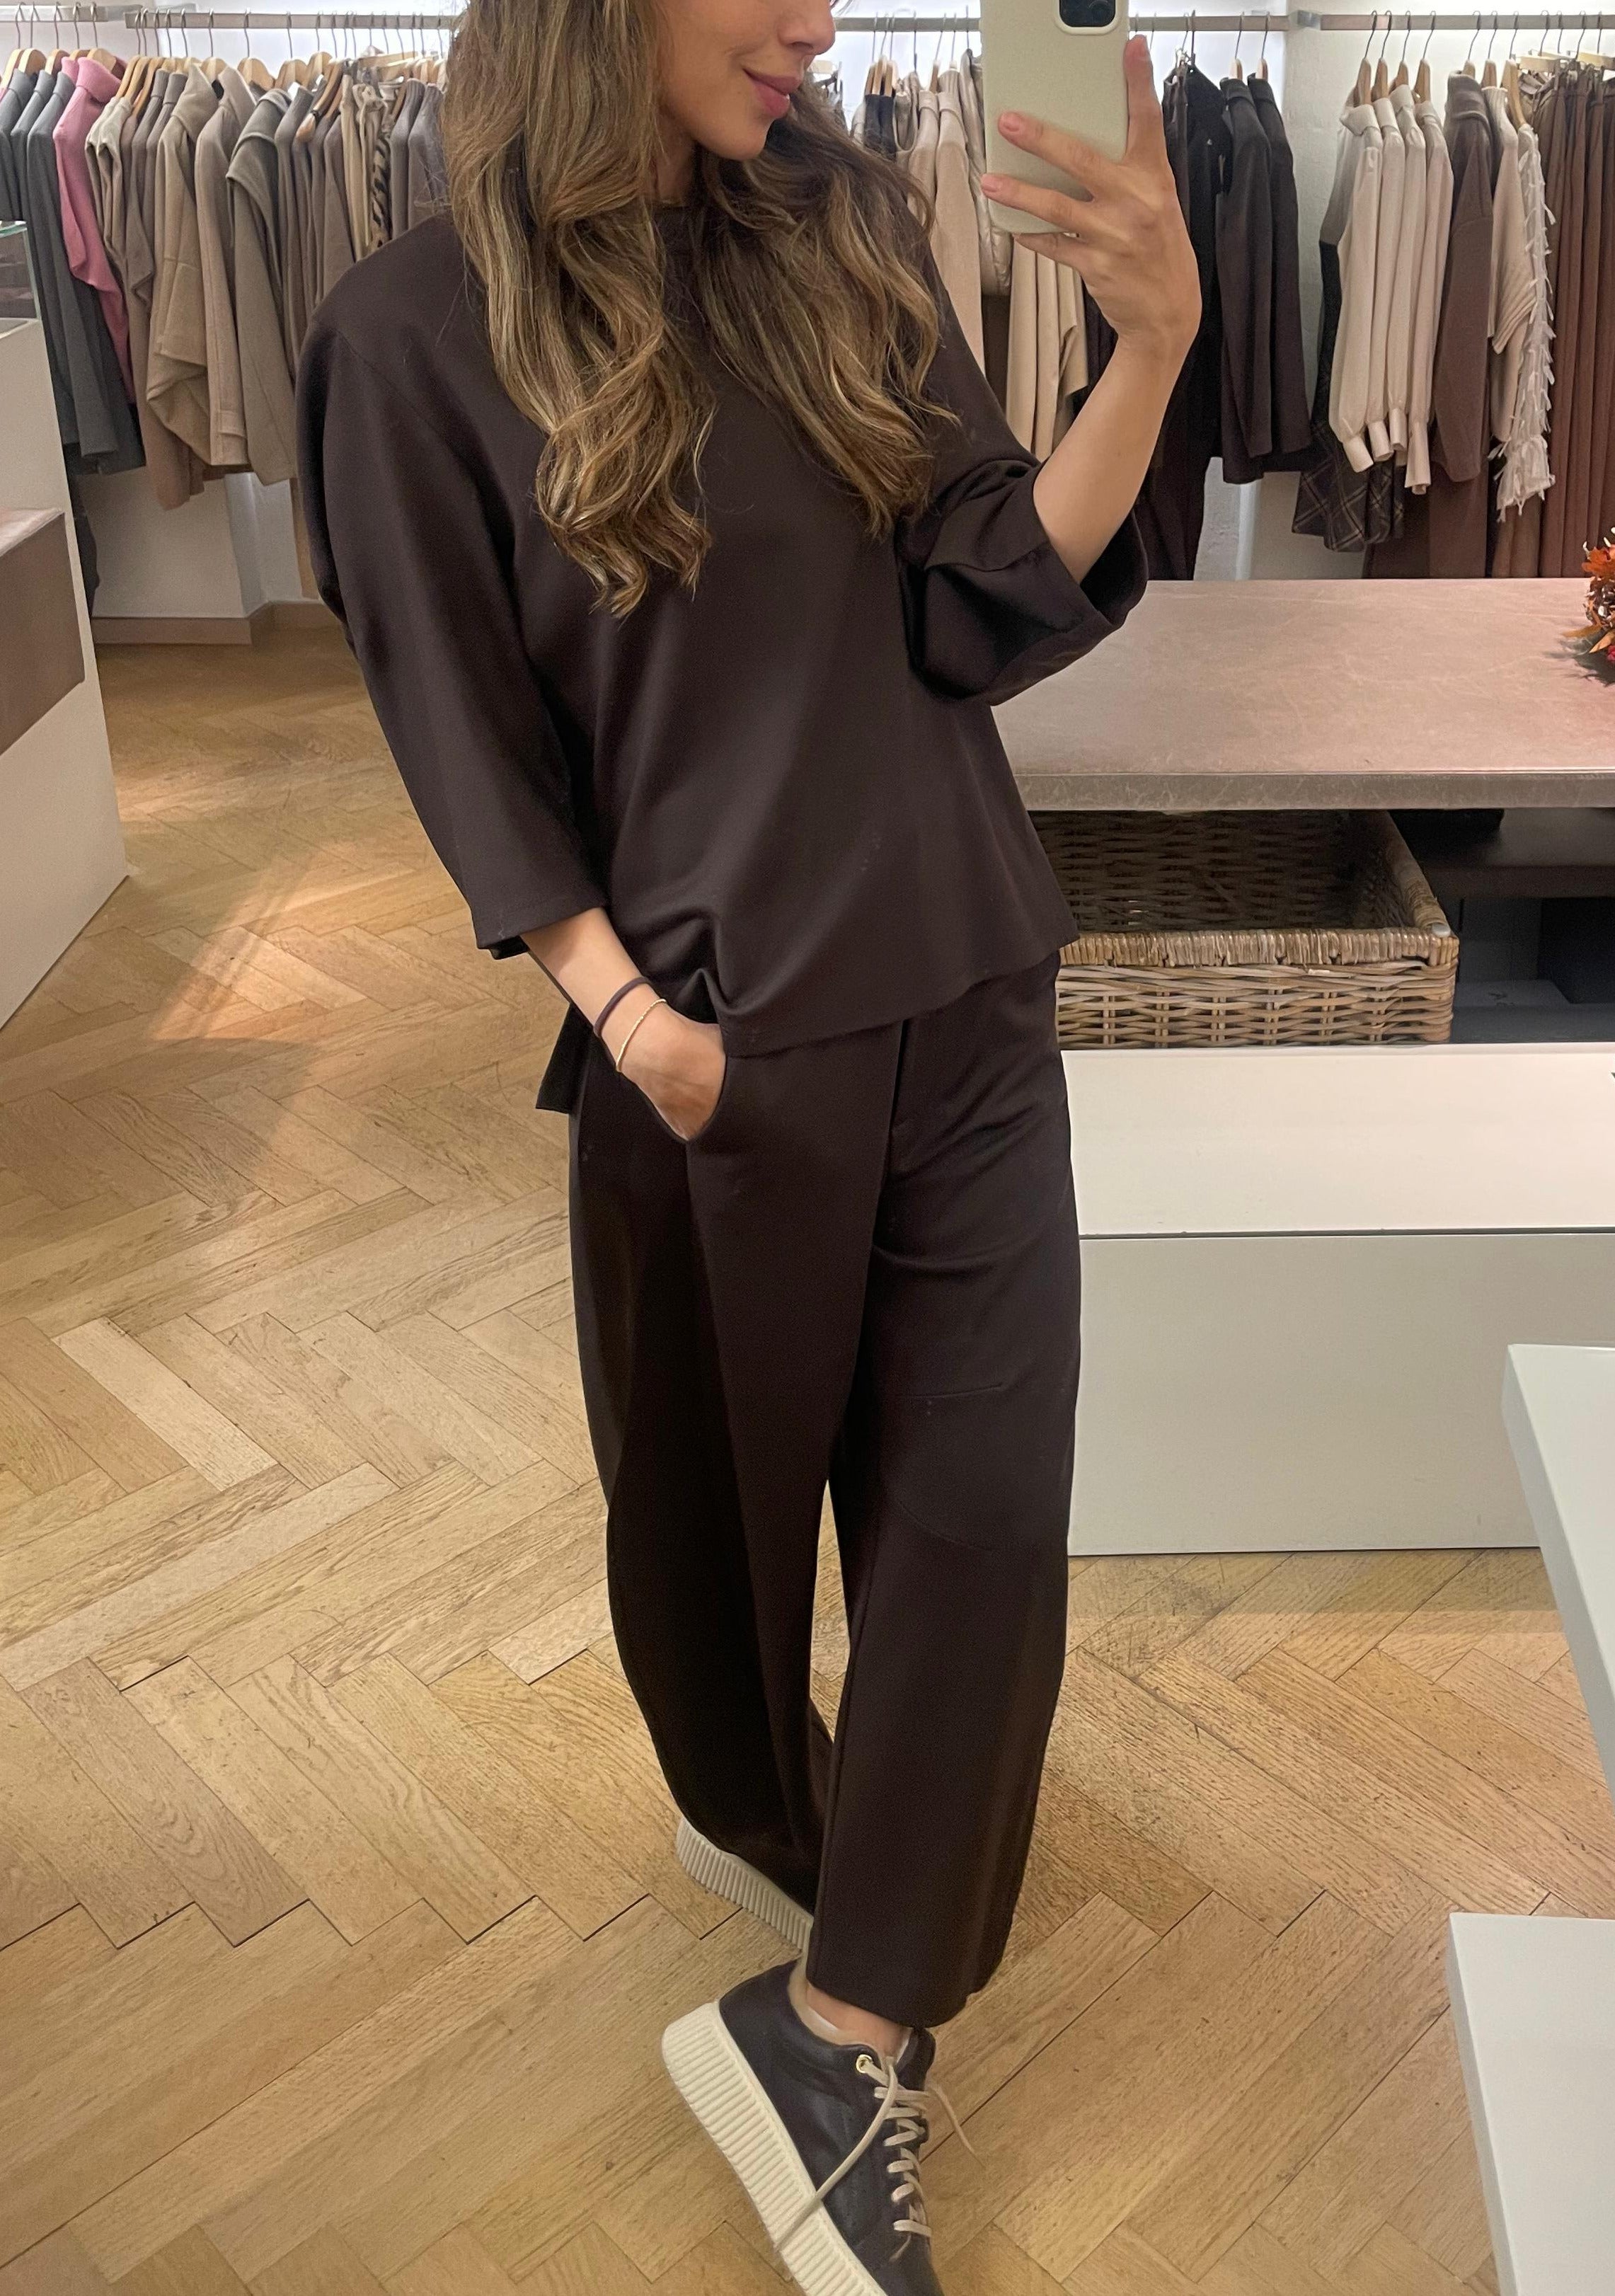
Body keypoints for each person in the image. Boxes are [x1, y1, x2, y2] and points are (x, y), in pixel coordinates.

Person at [296, 0, 1197, 2280]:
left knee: (980, 1525)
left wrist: (1152, 348)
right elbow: (457, 721)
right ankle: (773, 1822)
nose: (814, 18)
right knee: (710, 1532)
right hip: (715, 1040)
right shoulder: (409, 334)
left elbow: (986, 588)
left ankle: (838, 2026)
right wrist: (627, 1015)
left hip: (965, 970)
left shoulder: (835, 220)